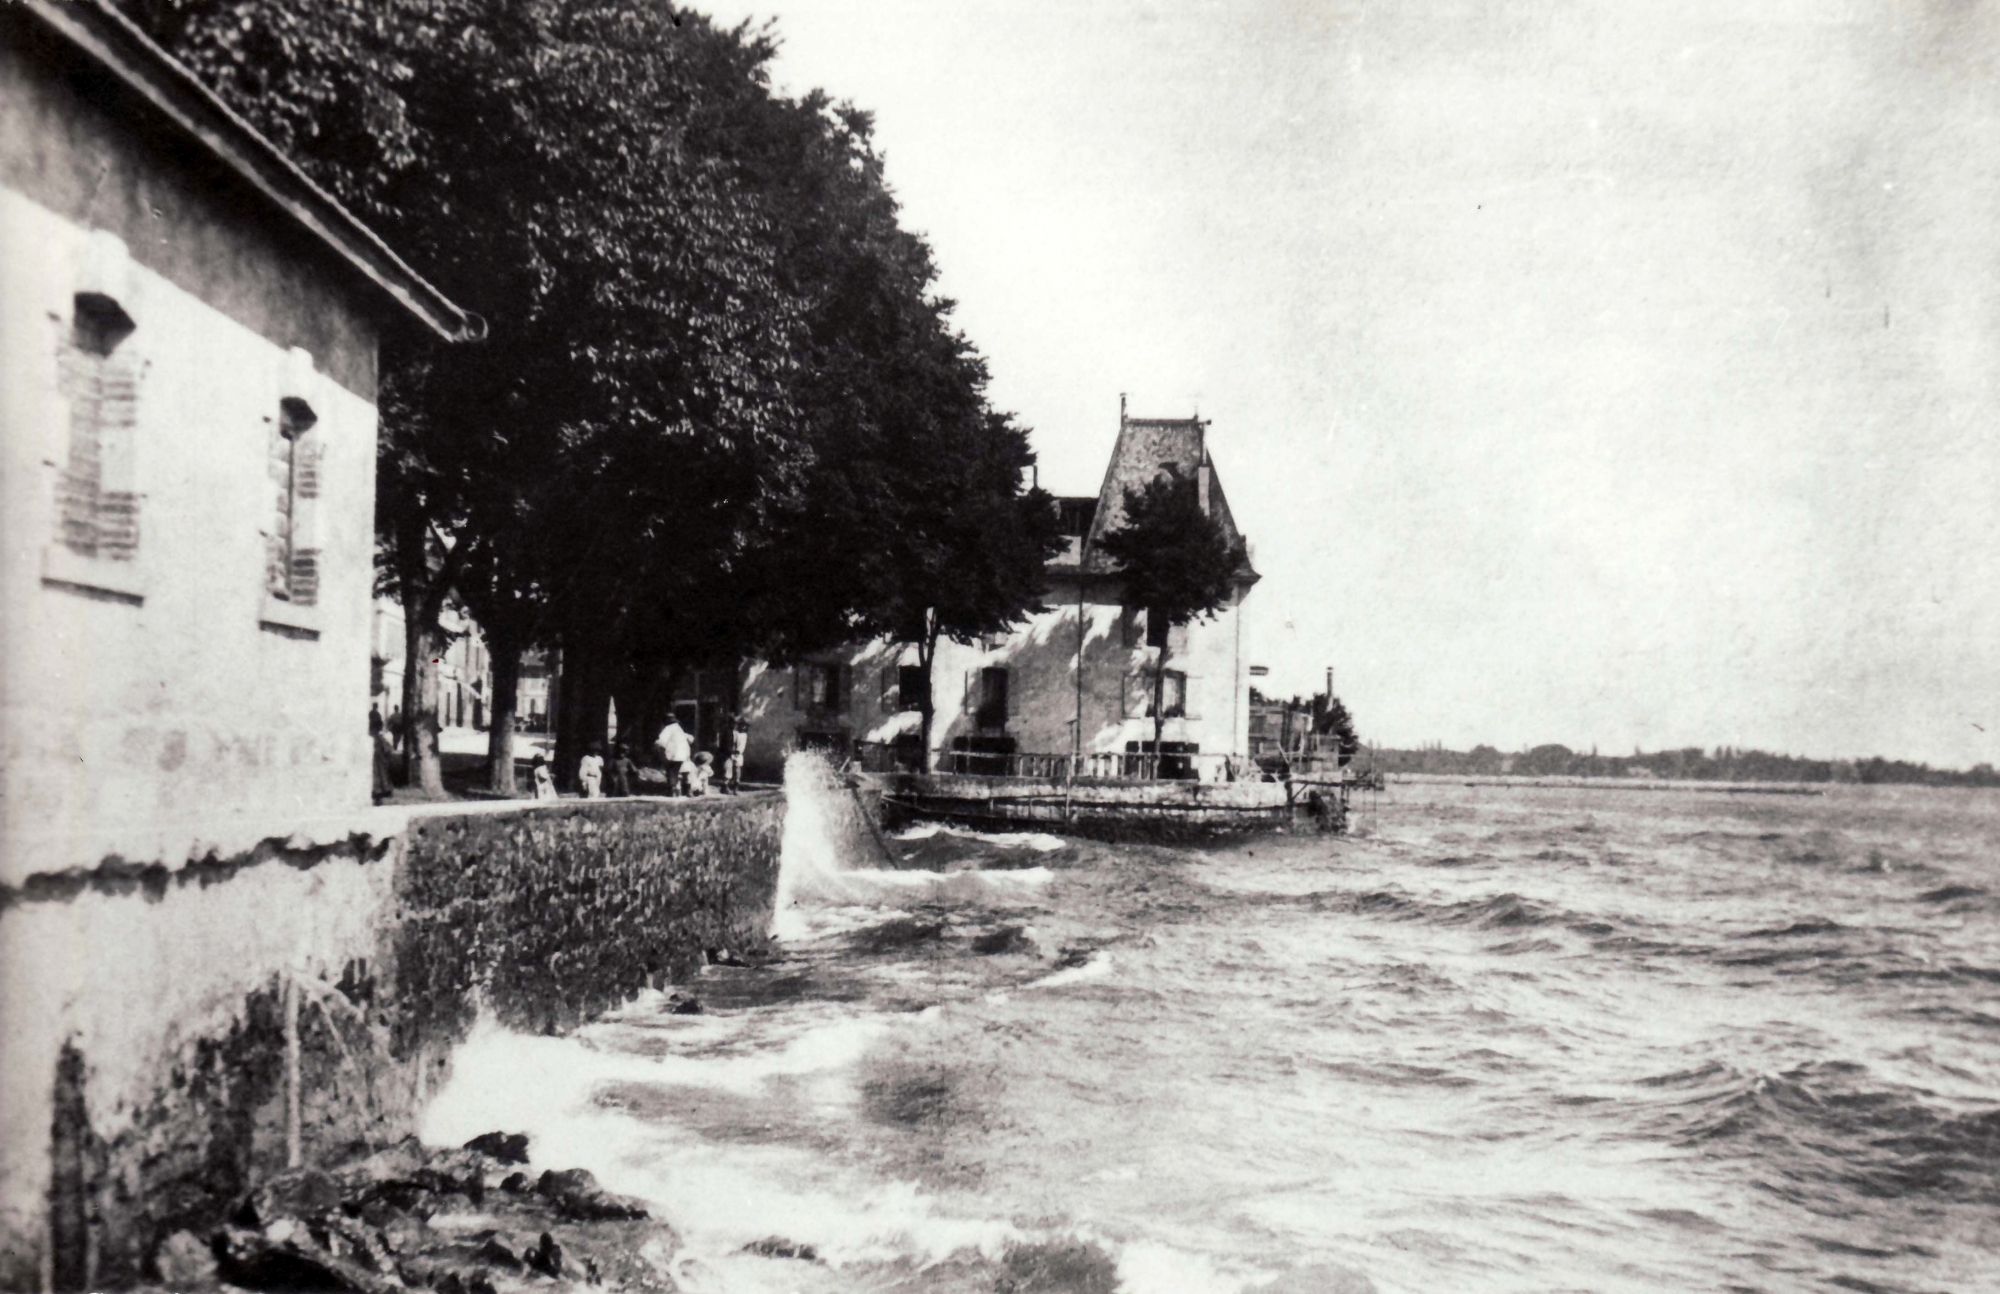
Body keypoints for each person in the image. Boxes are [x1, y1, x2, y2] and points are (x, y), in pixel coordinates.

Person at [654, 714, 692, 796]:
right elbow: (690, 738)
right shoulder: (679, 729)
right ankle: (686, 790)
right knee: (684, 772)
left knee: (671, 772)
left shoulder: (668, 729)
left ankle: (672, 791)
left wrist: (656, 745)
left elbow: (662, 741)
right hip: (683, 754)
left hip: (673, 755)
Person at [724, 716, 749, 794]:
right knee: (728, 769)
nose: (743, 727)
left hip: (738, 754)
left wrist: (738, 751)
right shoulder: (734, 733)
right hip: (731, 753)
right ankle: (725, 786)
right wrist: (731, 751)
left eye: (745, 726)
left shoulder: (744, 735)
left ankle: (736, 787)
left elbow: (742, 745)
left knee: (737, 769)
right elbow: (731, 742)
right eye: (741, 725)